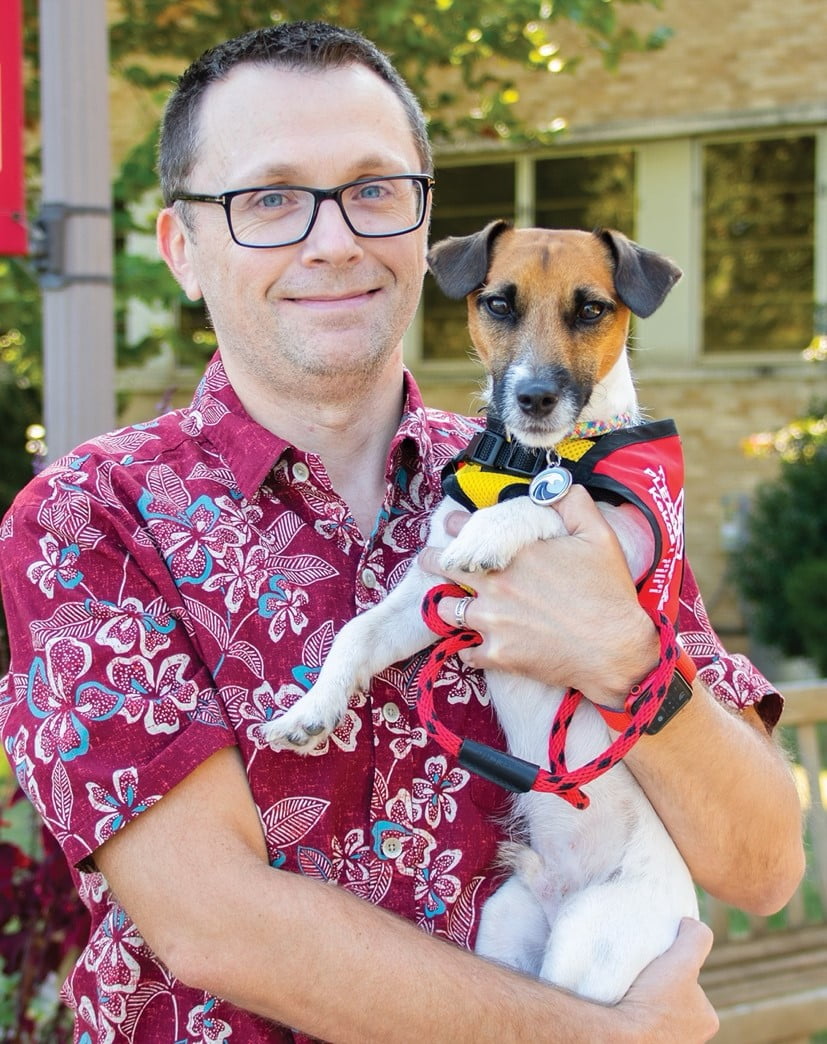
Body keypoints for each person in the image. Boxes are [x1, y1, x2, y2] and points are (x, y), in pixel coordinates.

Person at [0, 21, 804, 1043]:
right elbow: (214, 923)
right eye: (268, 199)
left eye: (374, 190)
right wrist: (601, 1040)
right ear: (183, 251)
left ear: (423, 231)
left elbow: (762, 867)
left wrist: (625, 658)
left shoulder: (571, 490)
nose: (334, 240)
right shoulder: (88, 518)